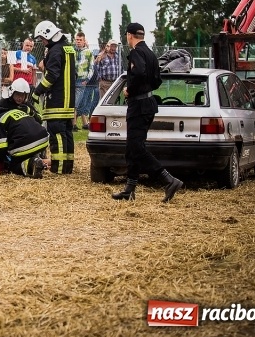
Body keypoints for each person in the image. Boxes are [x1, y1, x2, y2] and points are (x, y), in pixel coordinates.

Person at [112, 23, 183, 203]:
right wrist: (146, 89)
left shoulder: (137, 53)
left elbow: (140, 72)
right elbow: (157, 79)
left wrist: (130, 89)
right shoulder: (150, 53)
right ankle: (130, 188)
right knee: (133, 147)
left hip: (139, 105)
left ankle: (168, 180)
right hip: (148, 102)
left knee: (136, 147)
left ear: (129, 35)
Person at [33, 21, 76, 174]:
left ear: (48, 34)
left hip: (57, 99)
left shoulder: (56, 50)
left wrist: (37, 91)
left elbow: (51, 75)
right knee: (67, 133)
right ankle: (68, 166)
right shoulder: (68, 48)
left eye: (43, 39)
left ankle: (59, 168)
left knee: (57, 134)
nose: (43, 43)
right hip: (69, 99)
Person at [0, 106, 49, 178]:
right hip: (43, 139)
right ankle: (38, 160)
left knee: (13, 165)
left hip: (27, 142)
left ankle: (32, 163)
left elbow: (1, 147)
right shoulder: (14, 112)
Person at [73, 32, 95, 130]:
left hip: (82, 80)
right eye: (77, 40)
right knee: (73, 103)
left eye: (80, 40)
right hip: (72, 80)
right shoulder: (71, 51)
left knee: (76, 103)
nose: (78, 42)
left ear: (84, 41)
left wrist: (87, 80)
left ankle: (73, 124)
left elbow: (91, 67)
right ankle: (73, 124)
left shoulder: (88, 52)